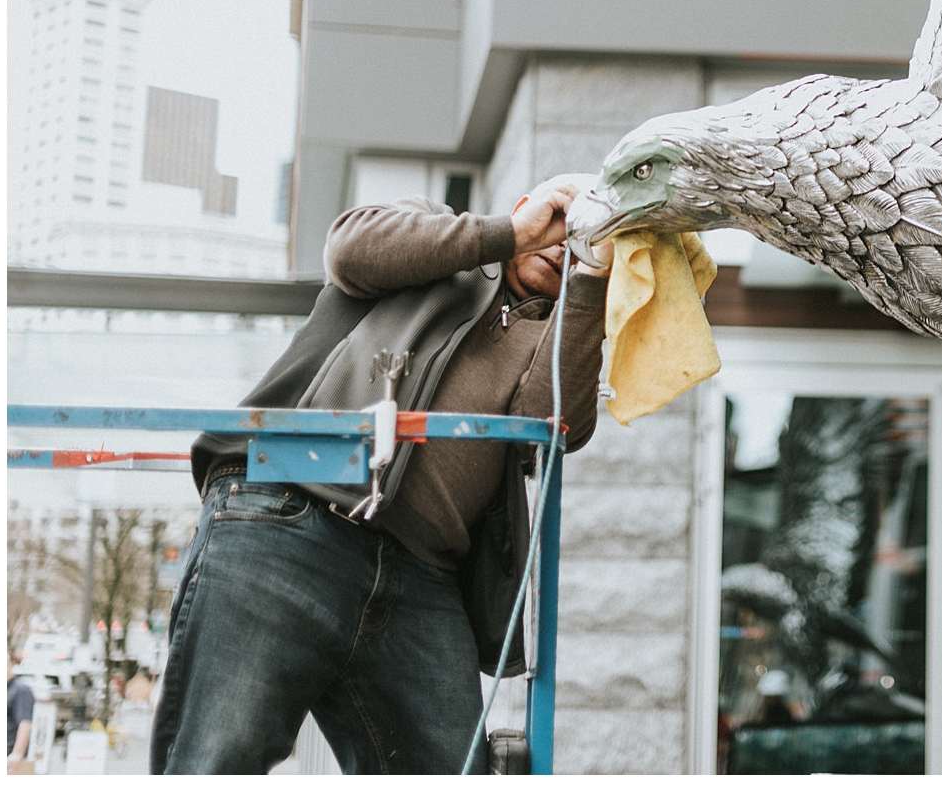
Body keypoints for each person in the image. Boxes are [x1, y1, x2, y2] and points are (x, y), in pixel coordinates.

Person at [150, 176, 614, 774]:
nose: (562, 240)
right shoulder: (442, 238)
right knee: (213, 760)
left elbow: (558, 428)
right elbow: (350, 249)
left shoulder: (555, 333)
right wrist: (504, 234)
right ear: (525, 206)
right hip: (288, 521)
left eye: (583, 232)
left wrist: (591, 286)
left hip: (422, 578)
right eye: (557, 216)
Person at [7, 655, 34, 772]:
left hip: (10, 757)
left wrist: (16, 754)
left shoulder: (20, 690)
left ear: (11, 664)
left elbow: (25, 723)